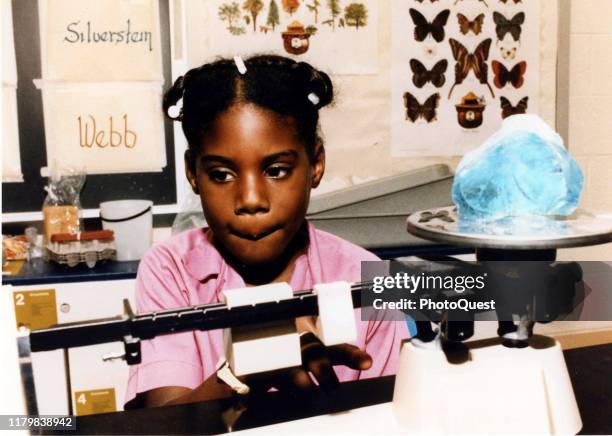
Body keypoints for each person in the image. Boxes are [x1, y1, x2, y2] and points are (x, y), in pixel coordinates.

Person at [124, 54, 408, 408]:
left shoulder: (364, 274)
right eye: (221, 175)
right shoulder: (171, 269)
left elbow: (387, 418)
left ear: (316, 163)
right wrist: (251, 365)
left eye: (276, 170)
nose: (251, 200)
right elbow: (165, 423)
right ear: (193, 174)